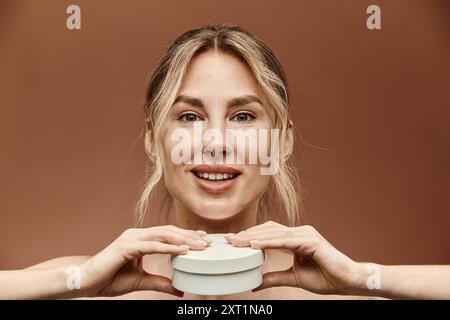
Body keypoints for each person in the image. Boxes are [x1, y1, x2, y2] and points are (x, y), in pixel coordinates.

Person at [1, 25, 449, 300]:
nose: (215, 142)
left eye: (243, 116)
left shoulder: (342, 289)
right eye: (190, 117)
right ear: (154, 142)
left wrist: (364, 279)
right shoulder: (83, 285)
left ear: (282, 142)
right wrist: (77, 282)